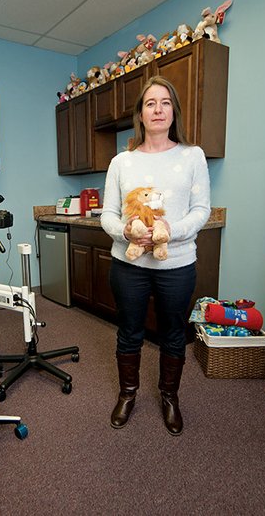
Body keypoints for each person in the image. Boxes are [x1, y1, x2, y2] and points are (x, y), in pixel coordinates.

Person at [100, 76, 211, 436]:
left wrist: (168, 231)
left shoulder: (192, 156)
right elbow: (108, 214)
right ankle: (128, 394)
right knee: (129, 332)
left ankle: (169, 397)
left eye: (165, 102)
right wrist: (129, 231)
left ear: (173, 111)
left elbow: (201, 210)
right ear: (141, 114)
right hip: (128, 263)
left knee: (173, 334)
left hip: (176, 263)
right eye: (150, 103)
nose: (158, 109)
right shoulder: (122, 162)